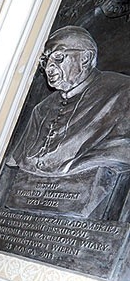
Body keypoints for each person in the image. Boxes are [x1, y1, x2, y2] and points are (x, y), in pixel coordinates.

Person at [8, 26, 130, 176]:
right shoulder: (42, 109)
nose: (49, 68)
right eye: (45, 60)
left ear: (85, 58)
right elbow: (16, 160)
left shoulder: (123, 91)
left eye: (58, 57)